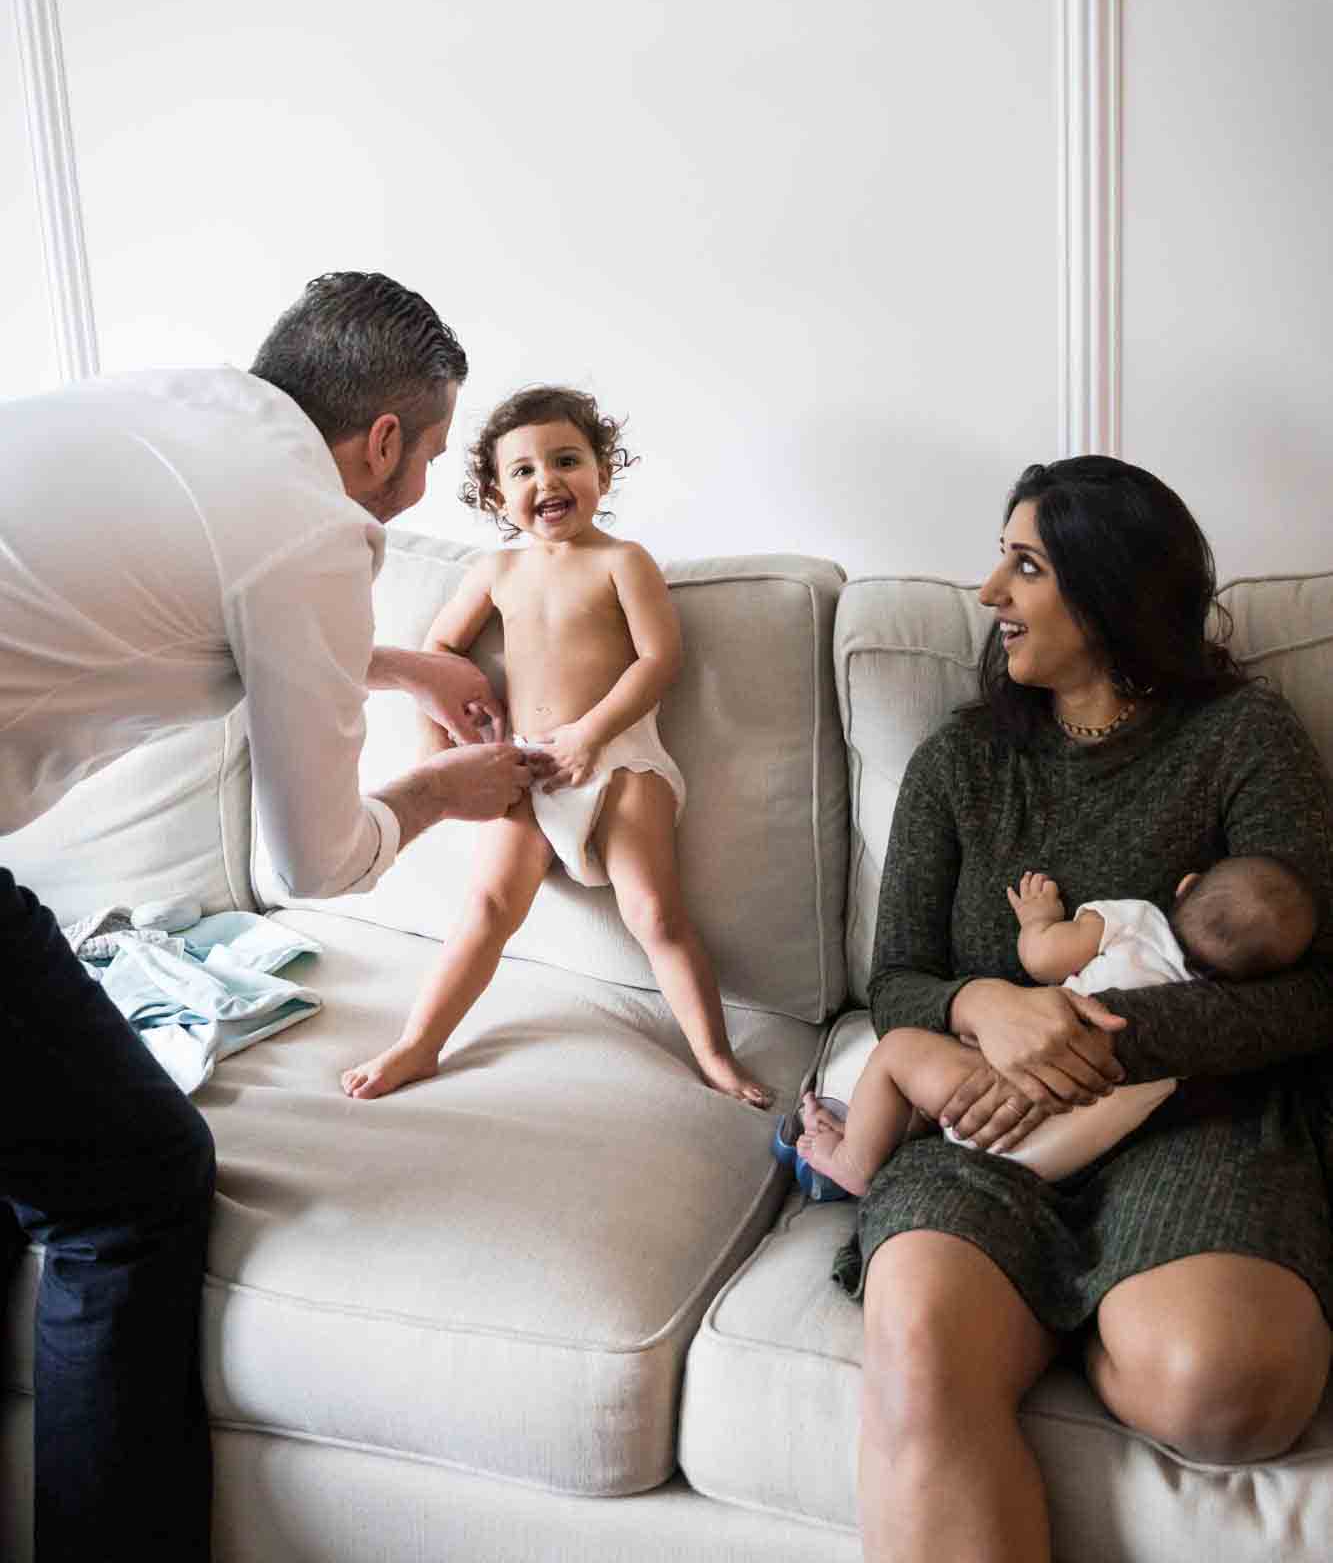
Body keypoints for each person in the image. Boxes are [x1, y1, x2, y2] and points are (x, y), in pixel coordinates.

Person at [0, 272, 550, 1563]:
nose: (419, 491)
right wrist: (437, 794)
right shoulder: (306, 533)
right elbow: (317, 861)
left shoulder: (179, 405)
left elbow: (203, 586)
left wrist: (400, 658)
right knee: (130, 1186)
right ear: (380, 442)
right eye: (428, 453)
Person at [809, 456, 1333, 1563]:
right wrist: (990, 1001)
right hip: (979, 1129)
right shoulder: (961, 760)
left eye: (1025, 562)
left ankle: (1073, 1315)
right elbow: (896, 976)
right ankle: (1022, 1314)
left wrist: (1100, 1041)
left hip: (1197, 1124)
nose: (989, 590)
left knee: (1228, 1389)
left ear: (1109, 590)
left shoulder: (1243, 738)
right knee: (922, 1339)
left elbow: (1312, 990)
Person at [340, 383, 770, 1107]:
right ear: (494, 493)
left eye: (566, 460)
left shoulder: (622, 561)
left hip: (618, 757)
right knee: (485, 907)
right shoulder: (495, 571)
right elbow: (437, 649)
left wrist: (589, 734)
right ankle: (419, 1044)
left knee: (656, 916)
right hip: (529, 765)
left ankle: (715, 1055)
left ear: (602, 470)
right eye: (524, 471)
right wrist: (437, 747)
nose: (548, 481)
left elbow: (658, 660)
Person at [796, 856, 1316, 1196]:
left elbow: (1043, 959)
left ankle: (852, 1161)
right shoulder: (1212, 1024)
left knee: (901, 1051)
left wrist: (1038, 919)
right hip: (1060, 1166)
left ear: (1187, 886)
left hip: (984, 1117)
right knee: (962, 1046)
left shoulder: (1137, 922)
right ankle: (887, 1133)